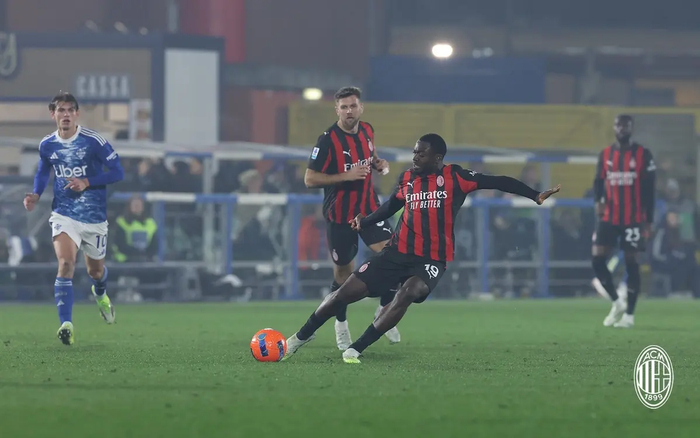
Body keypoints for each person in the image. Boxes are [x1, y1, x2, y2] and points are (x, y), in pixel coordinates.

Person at [284, 133, 560, 363]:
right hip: (396, 253)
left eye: (421, 153)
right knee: (344, 293)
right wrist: (364, 221)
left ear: (437, 158)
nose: (415, 157)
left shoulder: (456, 177)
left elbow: (498, 181)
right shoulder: (407, 178)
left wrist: (534, 194)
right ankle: (299, 338)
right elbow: (391, 206)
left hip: (431, 259)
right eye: (415, 152)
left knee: (408, 292)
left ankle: (356, 348)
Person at [24, 92, 124, 346]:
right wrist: (36, 194)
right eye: (61, 110)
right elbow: (43, 170)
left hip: (94, 217)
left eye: (70, 110)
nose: (66, 114)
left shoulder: (93, 141)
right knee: (66, 263)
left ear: (77, 114)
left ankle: (100, 294)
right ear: (53, 114)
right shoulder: (48, 144)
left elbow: (117, 172)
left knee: (95, 271)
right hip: (64, 213)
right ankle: (66, 324)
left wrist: (87, 181)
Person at [304, 86, 399, 349]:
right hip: (340, 217)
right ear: (336, 110)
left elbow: (371, 156)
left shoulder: (367, 130)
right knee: (343, 278)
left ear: (361, 108)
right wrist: (345, 176)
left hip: (369, 211)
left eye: (353, 106)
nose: (349, 111)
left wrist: (379, 163)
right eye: (344, 107)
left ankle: (383, 312)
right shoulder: (327, 140)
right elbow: (309, 179)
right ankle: (341, 324)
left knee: (395, 259)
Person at [592, 115, 655, 328]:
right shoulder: (606, 155)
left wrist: (649, 220)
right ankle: (617, 301)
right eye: (619, 125)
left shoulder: (643, 154)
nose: (622, 129)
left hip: (633, 218)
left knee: (632, 263)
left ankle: (629, 315)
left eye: (626, 125)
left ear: (632, 128)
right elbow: (598, 182)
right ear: (614, 127)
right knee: (597, 259)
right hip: (609, 216)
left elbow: (650, 189)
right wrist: (598, 202)